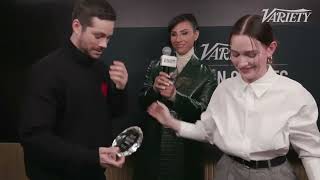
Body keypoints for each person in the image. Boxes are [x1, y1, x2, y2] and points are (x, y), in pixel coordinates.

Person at [147, 14, 320, 180]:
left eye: (251, 54)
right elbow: (207, 131)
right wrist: (171, 122)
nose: (242, 63)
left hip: (273, 174)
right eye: (235, 54)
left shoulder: (294, 93)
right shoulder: (224, 89)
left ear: (270, 49)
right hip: (227, 171)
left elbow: (311, 152)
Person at [19, 0, 128, 179]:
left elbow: (114, 113)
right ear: (77, 26)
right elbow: (34, 137)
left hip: (93, 173)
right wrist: (92, 157)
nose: (104, 45)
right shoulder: (46, 71)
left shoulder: (101, 69)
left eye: (108, 37)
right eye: (98, 36)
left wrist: (120, 89)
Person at [134, 13, 217, 180]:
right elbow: (142, 101)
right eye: (174, 34)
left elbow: (203, 112)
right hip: (153, 149)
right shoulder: (157, 66)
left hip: (185, 150)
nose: (178, 39)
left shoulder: (207, 74)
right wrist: (154, 90)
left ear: (196, 34)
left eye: (184, 33)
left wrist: (174, 96)